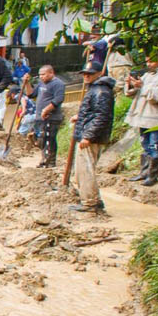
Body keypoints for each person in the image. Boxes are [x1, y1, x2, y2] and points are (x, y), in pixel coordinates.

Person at [69, 60, 116, 213]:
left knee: (85, 170)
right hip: (88, 134)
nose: (86, 76)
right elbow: (93, 112)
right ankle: (93, 199)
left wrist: (88, 136)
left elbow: (102, 116)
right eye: (85, 74)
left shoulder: (101, 91)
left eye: (89, 74)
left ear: (99, 73)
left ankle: (90, 202)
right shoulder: (96, 89)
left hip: (91, 137)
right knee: (82, 169)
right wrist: (79, 117)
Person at [125, 53, 158, 186]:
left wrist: (142, 87)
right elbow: (131, 93)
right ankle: (144, 172)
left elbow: (157, 96)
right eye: (146, 61)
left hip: (156, 120)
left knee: (155, 147)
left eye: (150, 61)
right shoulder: (147, 75)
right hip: (143, 119)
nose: (148, 64)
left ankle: (153, 175)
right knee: (145, 146)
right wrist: (131, 84)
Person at [22, 65, 65, 167]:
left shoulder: (58, 84)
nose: (41, 77)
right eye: (40, 75)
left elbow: (58, 99)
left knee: (49, 139)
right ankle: (44, 159)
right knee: (42, 139)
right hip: (39, 117)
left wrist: (46, 110)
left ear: (51, 73)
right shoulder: (41, 83)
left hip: (51, 117)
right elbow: (30, 94)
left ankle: (50, 162)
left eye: (44, 74)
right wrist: (27, 83)